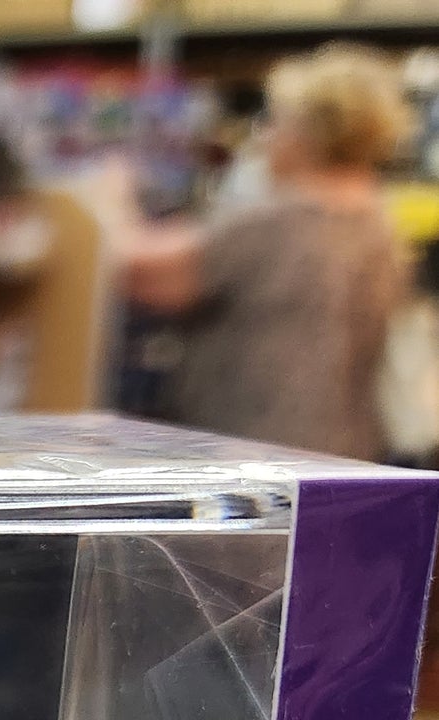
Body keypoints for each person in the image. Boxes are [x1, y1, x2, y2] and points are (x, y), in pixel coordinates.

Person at [113, 42, 411, 460]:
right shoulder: (376, 223)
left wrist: (111, 200)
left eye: (275, 121)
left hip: (258, 454)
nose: (265, 137)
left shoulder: (285, 222)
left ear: (308, 133)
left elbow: (143, 272)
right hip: (344, 452)